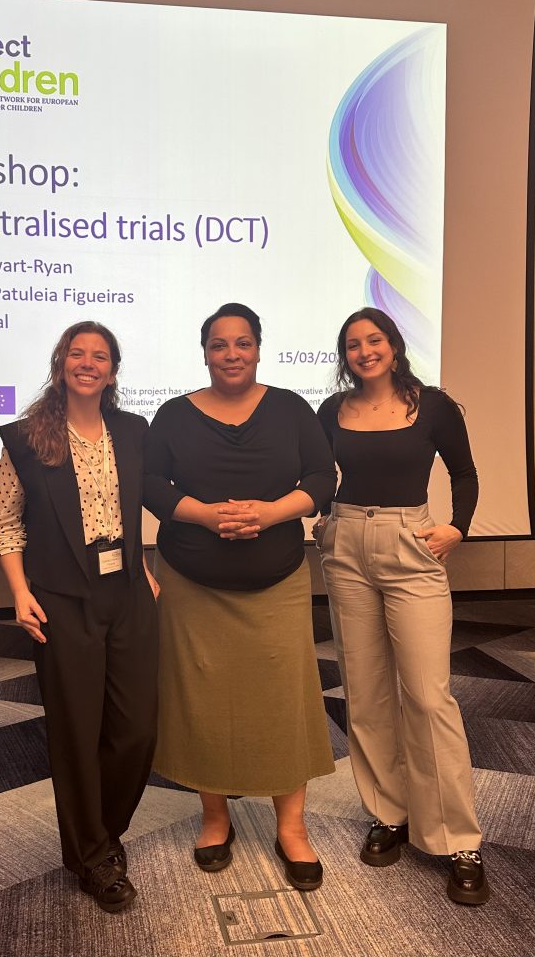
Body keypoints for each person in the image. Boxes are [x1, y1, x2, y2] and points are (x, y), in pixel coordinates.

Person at [144, 302, 336, 891]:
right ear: (205, 352)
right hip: (192, 583)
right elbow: (149, 484)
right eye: (220, 344)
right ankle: (215, 818)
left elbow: (321, 477)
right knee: (202, 698)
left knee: (283, 698)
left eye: (243, 343)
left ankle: (292, 827)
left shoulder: (291, 408)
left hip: (276, 580)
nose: (232, 354)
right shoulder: (173, 415)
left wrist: (272, 513)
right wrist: (205, 515)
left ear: (258, 348)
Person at [315, 306, 489, 905]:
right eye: (353, 344)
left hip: (409, 543)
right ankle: (388, 813)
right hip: (346, 547)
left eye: (375, 340)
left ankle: (457, 838)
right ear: (345, 356)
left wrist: (458, 528)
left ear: (393, 346)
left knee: (427, 695)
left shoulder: (432, 406)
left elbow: (465, 473)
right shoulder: (331, 410)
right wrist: (322, 517)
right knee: (365, 692)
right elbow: (316, 477)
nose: (365, 351)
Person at [0, 321, 159, 914]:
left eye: (100, 356)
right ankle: (92, 856)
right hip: (61, 598)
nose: (88, 363)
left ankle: (102, 833)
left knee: (137, 730)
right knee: (77, 732)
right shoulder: (26, 437)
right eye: (77, 354)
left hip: (128, 593)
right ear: (61, 363)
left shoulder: (132, 430)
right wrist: (20, 593)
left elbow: (129, 509)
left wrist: (143, 565)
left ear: (113, 370)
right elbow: (5, 523)